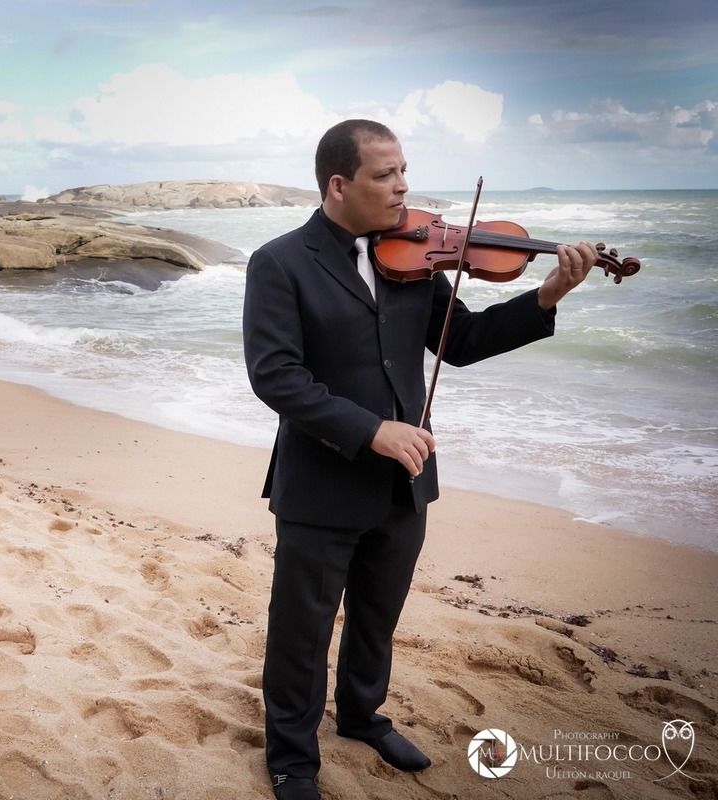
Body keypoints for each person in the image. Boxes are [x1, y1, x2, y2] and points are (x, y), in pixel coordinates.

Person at [241, 119, 598, 800]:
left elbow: (459, 340)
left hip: (405, 482)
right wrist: (371, 429)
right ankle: (291, 756)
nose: (404, 187)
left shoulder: (412, 257)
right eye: (386, 175)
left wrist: (546, 296)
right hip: (320, 484)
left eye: (405, 170)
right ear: (339, 185)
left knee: (378, 614)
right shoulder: (279, 262)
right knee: (301, 630)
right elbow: (276, 375)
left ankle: (362, 716)